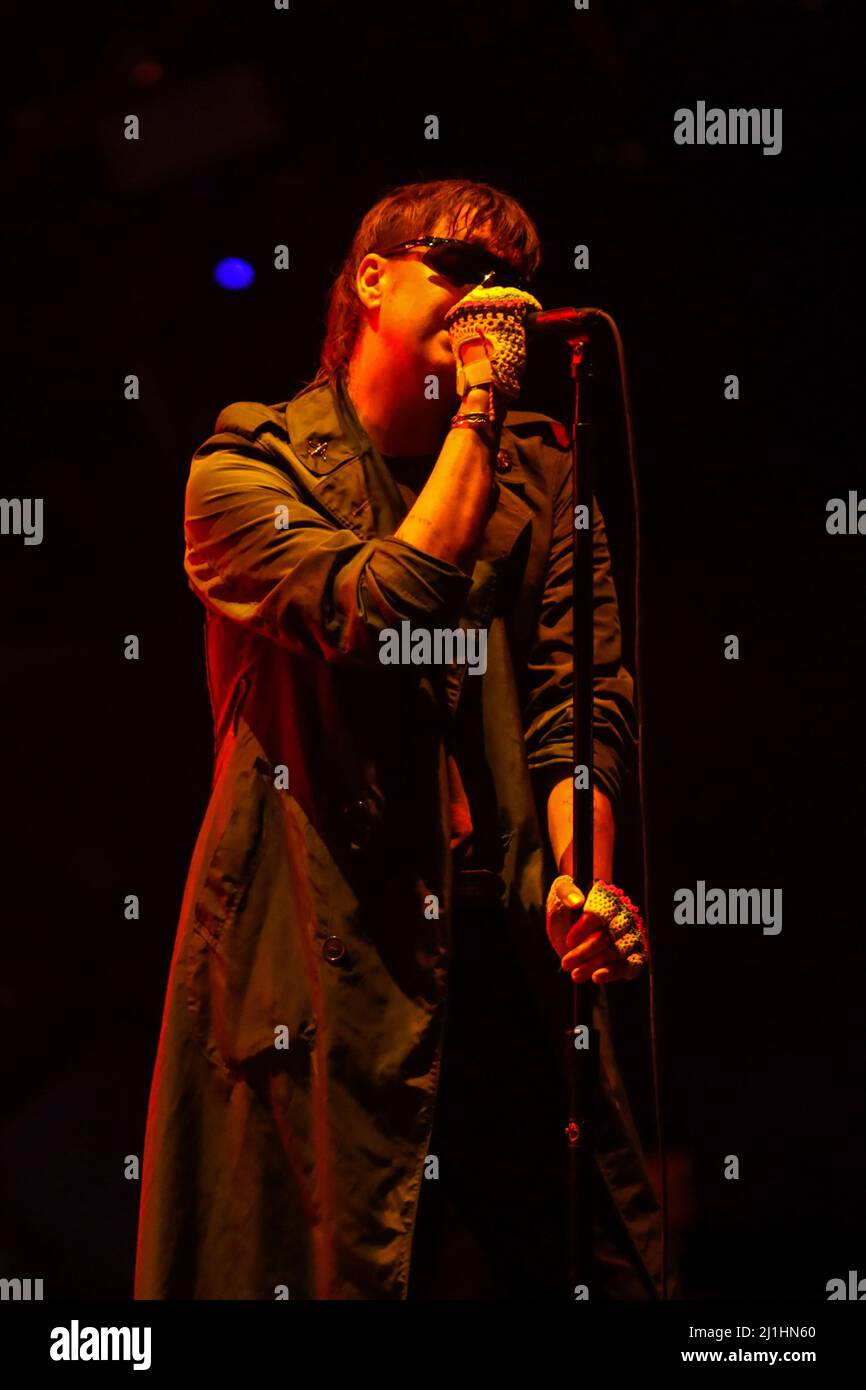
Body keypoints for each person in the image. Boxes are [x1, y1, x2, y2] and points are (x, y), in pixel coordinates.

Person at [133, 177, 679, 1301]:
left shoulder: (541, 474)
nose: (496, 302)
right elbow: (386, 601)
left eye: (513, 283)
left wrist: (582, 877)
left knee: (604, 1268)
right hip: (328, 961)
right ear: (370, 279)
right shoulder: (246, 471)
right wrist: (476, 406)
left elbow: (578, 707)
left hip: (497, 943)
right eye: (462, 269)